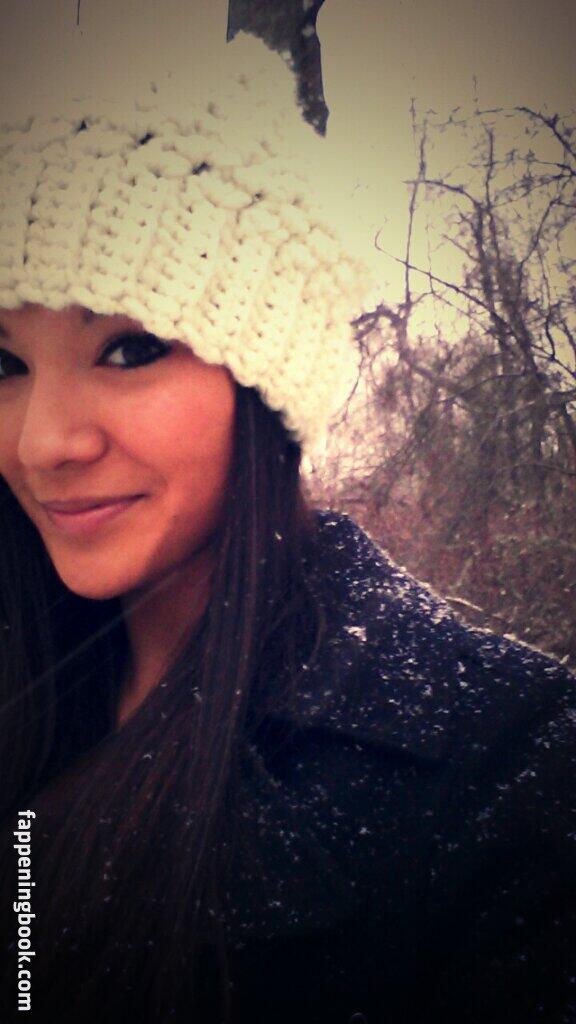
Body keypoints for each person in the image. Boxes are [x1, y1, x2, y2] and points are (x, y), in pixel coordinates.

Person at [0, 33, 575, 1024]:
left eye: (129, 349)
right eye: (5, 364)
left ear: (263, 389)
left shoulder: (505, 766)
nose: (44, 443)